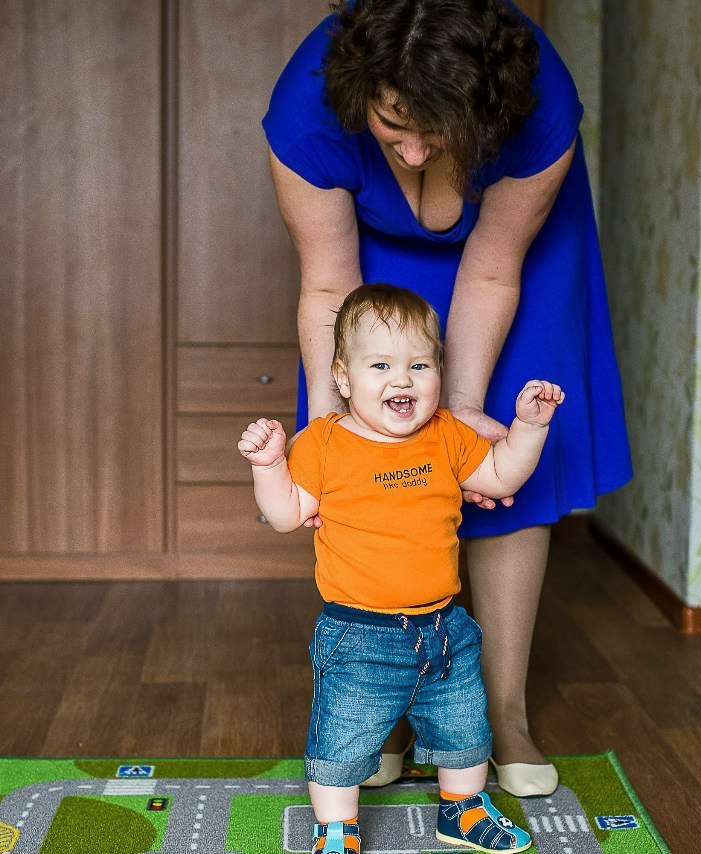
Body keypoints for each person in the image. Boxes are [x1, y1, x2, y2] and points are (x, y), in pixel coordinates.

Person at [262, 0, 633, 796]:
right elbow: (329, 283)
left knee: (502, 459)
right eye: (395, 124)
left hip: (510, 265)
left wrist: (460, 404)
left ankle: (503, 710)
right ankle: (390, 704)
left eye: (441, 129)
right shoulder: (307, 110)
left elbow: (494, 270)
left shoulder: (538, 106)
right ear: (361, 88)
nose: (419, 148)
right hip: (366, 267)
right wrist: (338, 436)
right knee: (371, 452)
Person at [238, 284, 563, 853]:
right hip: (358, 634)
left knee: (465, 729)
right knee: (342, 740)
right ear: (342, 378)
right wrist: (269, 466)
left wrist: (528, 429)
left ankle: (461, 811)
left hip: (443, 629)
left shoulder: (446, 435)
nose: (403, 380)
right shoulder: (324, 443)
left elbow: (502, 478)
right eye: (381, 365)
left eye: (420, 364)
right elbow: (287, 514)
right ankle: (336, 828)